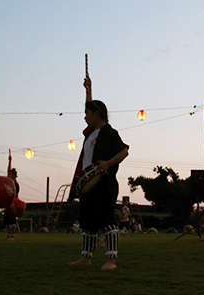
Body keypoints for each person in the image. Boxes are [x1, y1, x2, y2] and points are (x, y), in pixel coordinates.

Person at [68, 72, 129, 270]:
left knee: (107, 221)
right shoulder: (90, 134)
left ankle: (111, 260)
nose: (85, 117)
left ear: (97, 114)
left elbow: (124, 151)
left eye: (88, 114)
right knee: (88, 223)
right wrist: (88, 91)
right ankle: (86, 257)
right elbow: (89, 107)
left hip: (104, 183)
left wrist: (107, 164)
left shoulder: (109, 132)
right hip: (89, 184)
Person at [4, 152, 20, 241]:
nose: (9, 175)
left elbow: (14, 195)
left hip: (13, 203)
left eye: (11, 174)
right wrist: (9, 161)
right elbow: (8, 171)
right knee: (7, 220)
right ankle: (8, 234)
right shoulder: (9, 182)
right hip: (8, 203)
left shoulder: (15, 184)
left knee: (12, 220)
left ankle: (12, 235)